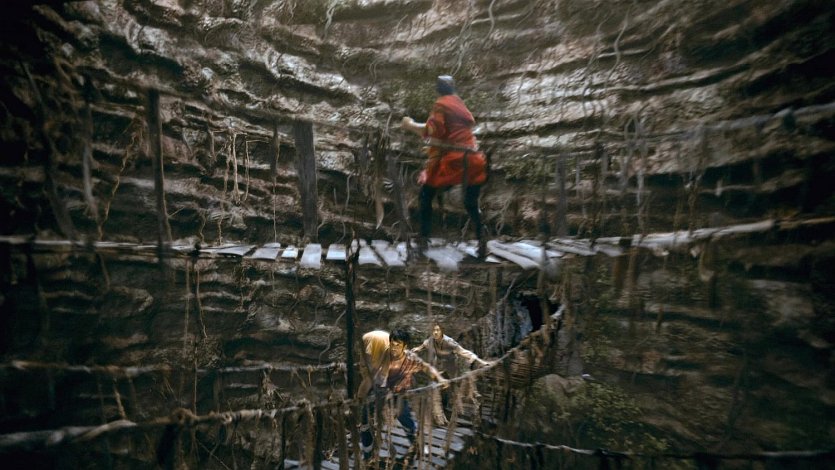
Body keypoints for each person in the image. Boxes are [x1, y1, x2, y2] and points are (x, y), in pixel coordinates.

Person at [401, 75, 488, 258]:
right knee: (471, 203)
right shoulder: (460, 104)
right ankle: (482, 239)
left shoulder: (441, 105)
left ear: (438, 89)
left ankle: (423, 240)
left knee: (425, 195)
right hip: (474, 160)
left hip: (455, 160)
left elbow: (434, 131)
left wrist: (409, 125)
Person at [358, 329, 447, 459]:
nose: (394, 348)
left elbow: (426, 367)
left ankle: (418, 445)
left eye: (398, 345)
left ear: (405, 346)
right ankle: (367, 455)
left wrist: (439, 378)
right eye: (392, 344)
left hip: (397, 394)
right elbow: (369, 379)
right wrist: (360, 398)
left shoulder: (410, 358)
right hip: (376, 392)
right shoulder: (383, 356)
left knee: (406, 419)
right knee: (366, 424)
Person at [411, 323, 490, 425]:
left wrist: (480, 361)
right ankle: (438, 417)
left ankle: (468, 411)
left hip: (451, 367)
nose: (435, 332)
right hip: (439, 367)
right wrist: (417, 349)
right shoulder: (430, 340)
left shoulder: (449, 342)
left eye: (438, 330)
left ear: (442, 331)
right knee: (436, 388)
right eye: (433, 330)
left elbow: (463, 352)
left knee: (454, 389)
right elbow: (423, 346)